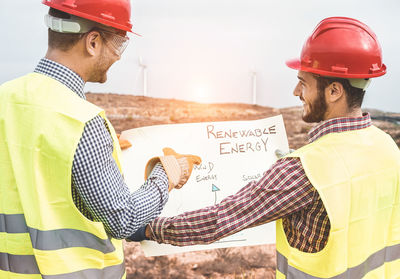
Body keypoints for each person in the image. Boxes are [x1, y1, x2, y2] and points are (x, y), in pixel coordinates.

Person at [130, 17, 400, 278]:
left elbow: (220, 219)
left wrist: (150, 229)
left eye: (304, 82)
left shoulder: (304, 171)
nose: (296, 92)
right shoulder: (388, 149)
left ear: (333, 91)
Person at [0, 0, 200, 278]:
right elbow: (123, 219)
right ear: (92, 42)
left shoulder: (5, 98)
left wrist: (99, 150)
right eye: (119, 43)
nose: (118, 56)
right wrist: (166, 175)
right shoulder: (81, 121)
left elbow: (30, 164)